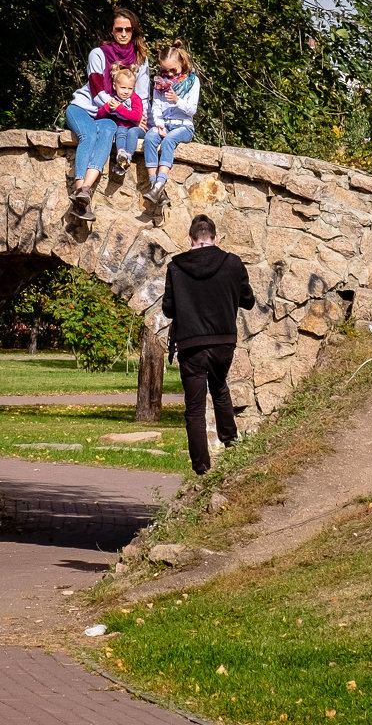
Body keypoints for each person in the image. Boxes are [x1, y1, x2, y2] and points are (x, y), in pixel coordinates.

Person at [161, 214, 255, 475]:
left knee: (194, 408)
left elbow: (168, 309)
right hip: (224, 341)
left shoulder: (176, 267)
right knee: (220, 387)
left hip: (191, 344)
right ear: (215, 238)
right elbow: (248, 300)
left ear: (190, 239)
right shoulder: (232, 263)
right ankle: (231, 443)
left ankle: (201, 467)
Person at [65, 8, 150, 220]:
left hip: (109, 117)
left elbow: (141, 94)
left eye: (128, 30)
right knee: (89, 136)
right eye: (118, 29)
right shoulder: (98, 54)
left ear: (134, 32)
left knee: (108, 133)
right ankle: (80, 190)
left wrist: (141, 117)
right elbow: (97, 91)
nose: (123, 34)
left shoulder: (140, 59)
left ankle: (85, 192)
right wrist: (122, 110)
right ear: (111, 31)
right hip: (85, 108)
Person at [143, 40, 200, 205]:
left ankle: (160, 182)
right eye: (165, 71)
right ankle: (154, 184)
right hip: (165, 123)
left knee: (169, 140)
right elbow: (156, 107)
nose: (169, 75)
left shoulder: (192, 82)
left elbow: (192, 110)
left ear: (182, 63)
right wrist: (159, 123)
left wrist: (177, 100)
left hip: (183, 126)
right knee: (150, 138)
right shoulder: (160, 83)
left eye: (173, 70)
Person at [94, 64, 144, 178]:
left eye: (130, 88)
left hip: (137, 130)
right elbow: (99, 116)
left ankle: (128, 156)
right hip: (122, 129)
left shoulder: (135, 99)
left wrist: (119, 109)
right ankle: (121, 153)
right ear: (115, 86)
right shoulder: (113, 100)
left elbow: (136, 117)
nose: (126, 91)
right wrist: (107, 107)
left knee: (132, 132)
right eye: (123, 88)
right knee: (120, 129)